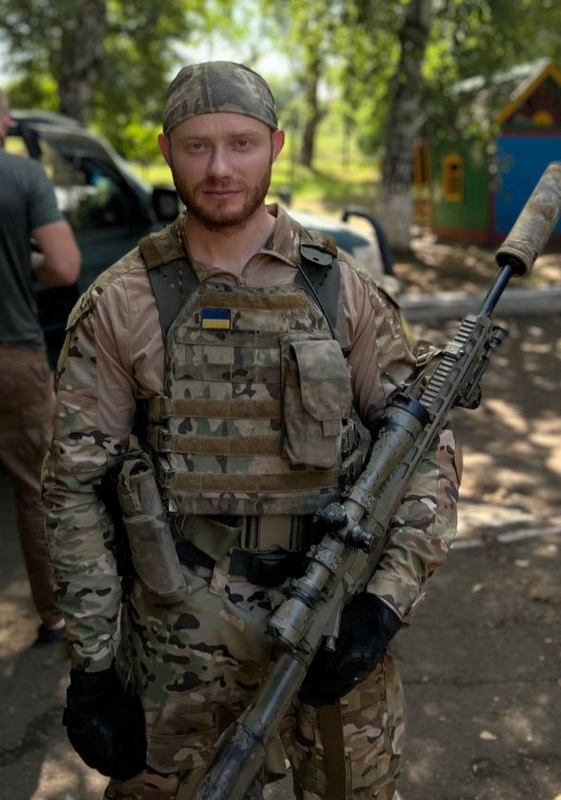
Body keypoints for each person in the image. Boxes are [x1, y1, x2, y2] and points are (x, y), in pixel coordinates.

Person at [42, 62, 461, 800]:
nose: (219, 169)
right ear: (167, 151)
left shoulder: (341, 287)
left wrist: (382, 604)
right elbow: (74, 487)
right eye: (197, 146)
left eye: (240, 143)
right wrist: (95, 666)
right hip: (179, 633)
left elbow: (424, 452)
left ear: (274, 145)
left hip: (332, 610)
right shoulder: (123, 300)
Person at [0, 89, 81, 645]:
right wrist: (25, 259)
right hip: (13, 355)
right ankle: (54, 616)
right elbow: (64, 267)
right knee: (35, 487)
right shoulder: (23, 176)